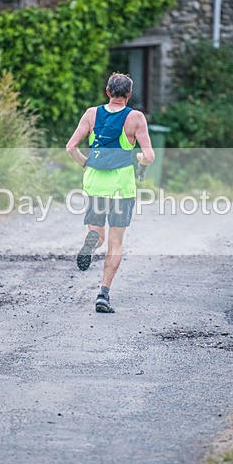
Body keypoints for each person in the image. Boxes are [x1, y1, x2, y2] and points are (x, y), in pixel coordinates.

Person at [65, 72, 155, 313]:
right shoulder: (135, 118)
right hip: (120, 188)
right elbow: (149, 156)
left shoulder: (91, 114)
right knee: (115, 242)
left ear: (107, 92)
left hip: (95, 184)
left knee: (98, 234)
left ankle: (92, 241)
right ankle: (103, 294)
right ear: (129, 94)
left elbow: (70, 147)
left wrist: (86, 164)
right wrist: (139, 160)